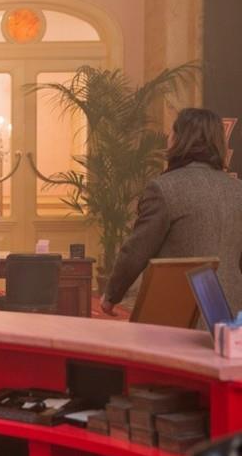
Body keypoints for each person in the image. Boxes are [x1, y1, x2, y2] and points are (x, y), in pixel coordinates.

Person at [102, 108, 242, 317]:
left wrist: (111, 295)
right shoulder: (238, 190)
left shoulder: (164, 188)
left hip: (181, 311)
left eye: (171, 132)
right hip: (232, 312)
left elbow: (137, 250)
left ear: (179, 139)